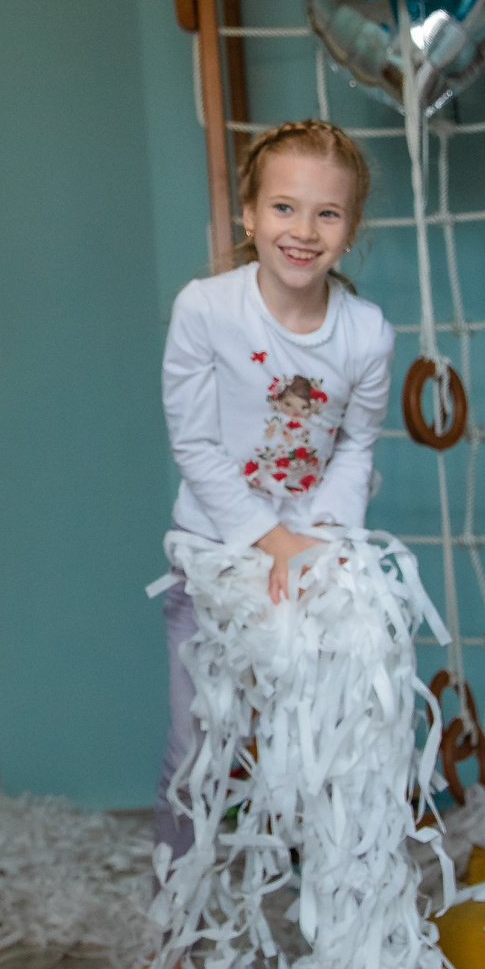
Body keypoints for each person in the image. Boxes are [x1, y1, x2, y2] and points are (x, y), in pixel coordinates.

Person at [155, 119, 393, 862]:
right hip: (215, 556)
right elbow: (193, 442)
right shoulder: (206, 309)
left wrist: (317, 540)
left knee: (323, 744)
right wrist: (271, 540)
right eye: (284, 208)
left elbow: (355, 444)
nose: (304, 229)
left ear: (350, 229)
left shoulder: (366, 332)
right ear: (250, 215)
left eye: (328, 212)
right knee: (196, 748)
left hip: (317, 561)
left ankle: (329, 913)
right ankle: (175, 931)